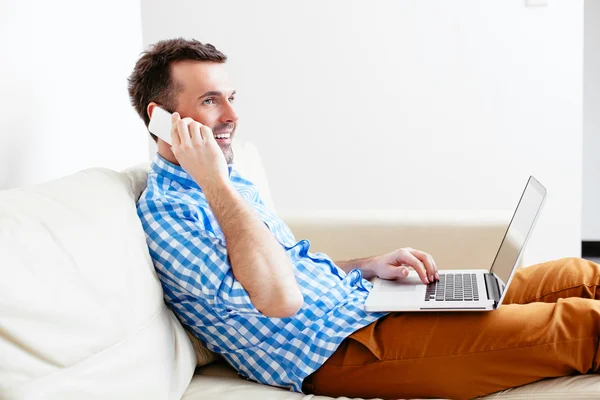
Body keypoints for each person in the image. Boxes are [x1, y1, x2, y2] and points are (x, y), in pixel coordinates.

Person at [131, 38, 600, 400]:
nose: (232, 115)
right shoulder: (170, 211)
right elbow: (279, 298)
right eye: (211, 101)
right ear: (161, 118)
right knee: (582, 325)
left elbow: (287, 265)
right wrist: (215, 181)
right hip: (338, 350)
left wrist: (366, 266)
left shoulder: (230, 179)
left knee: (581, 275)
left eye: (232, 97)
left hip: (366, 303)